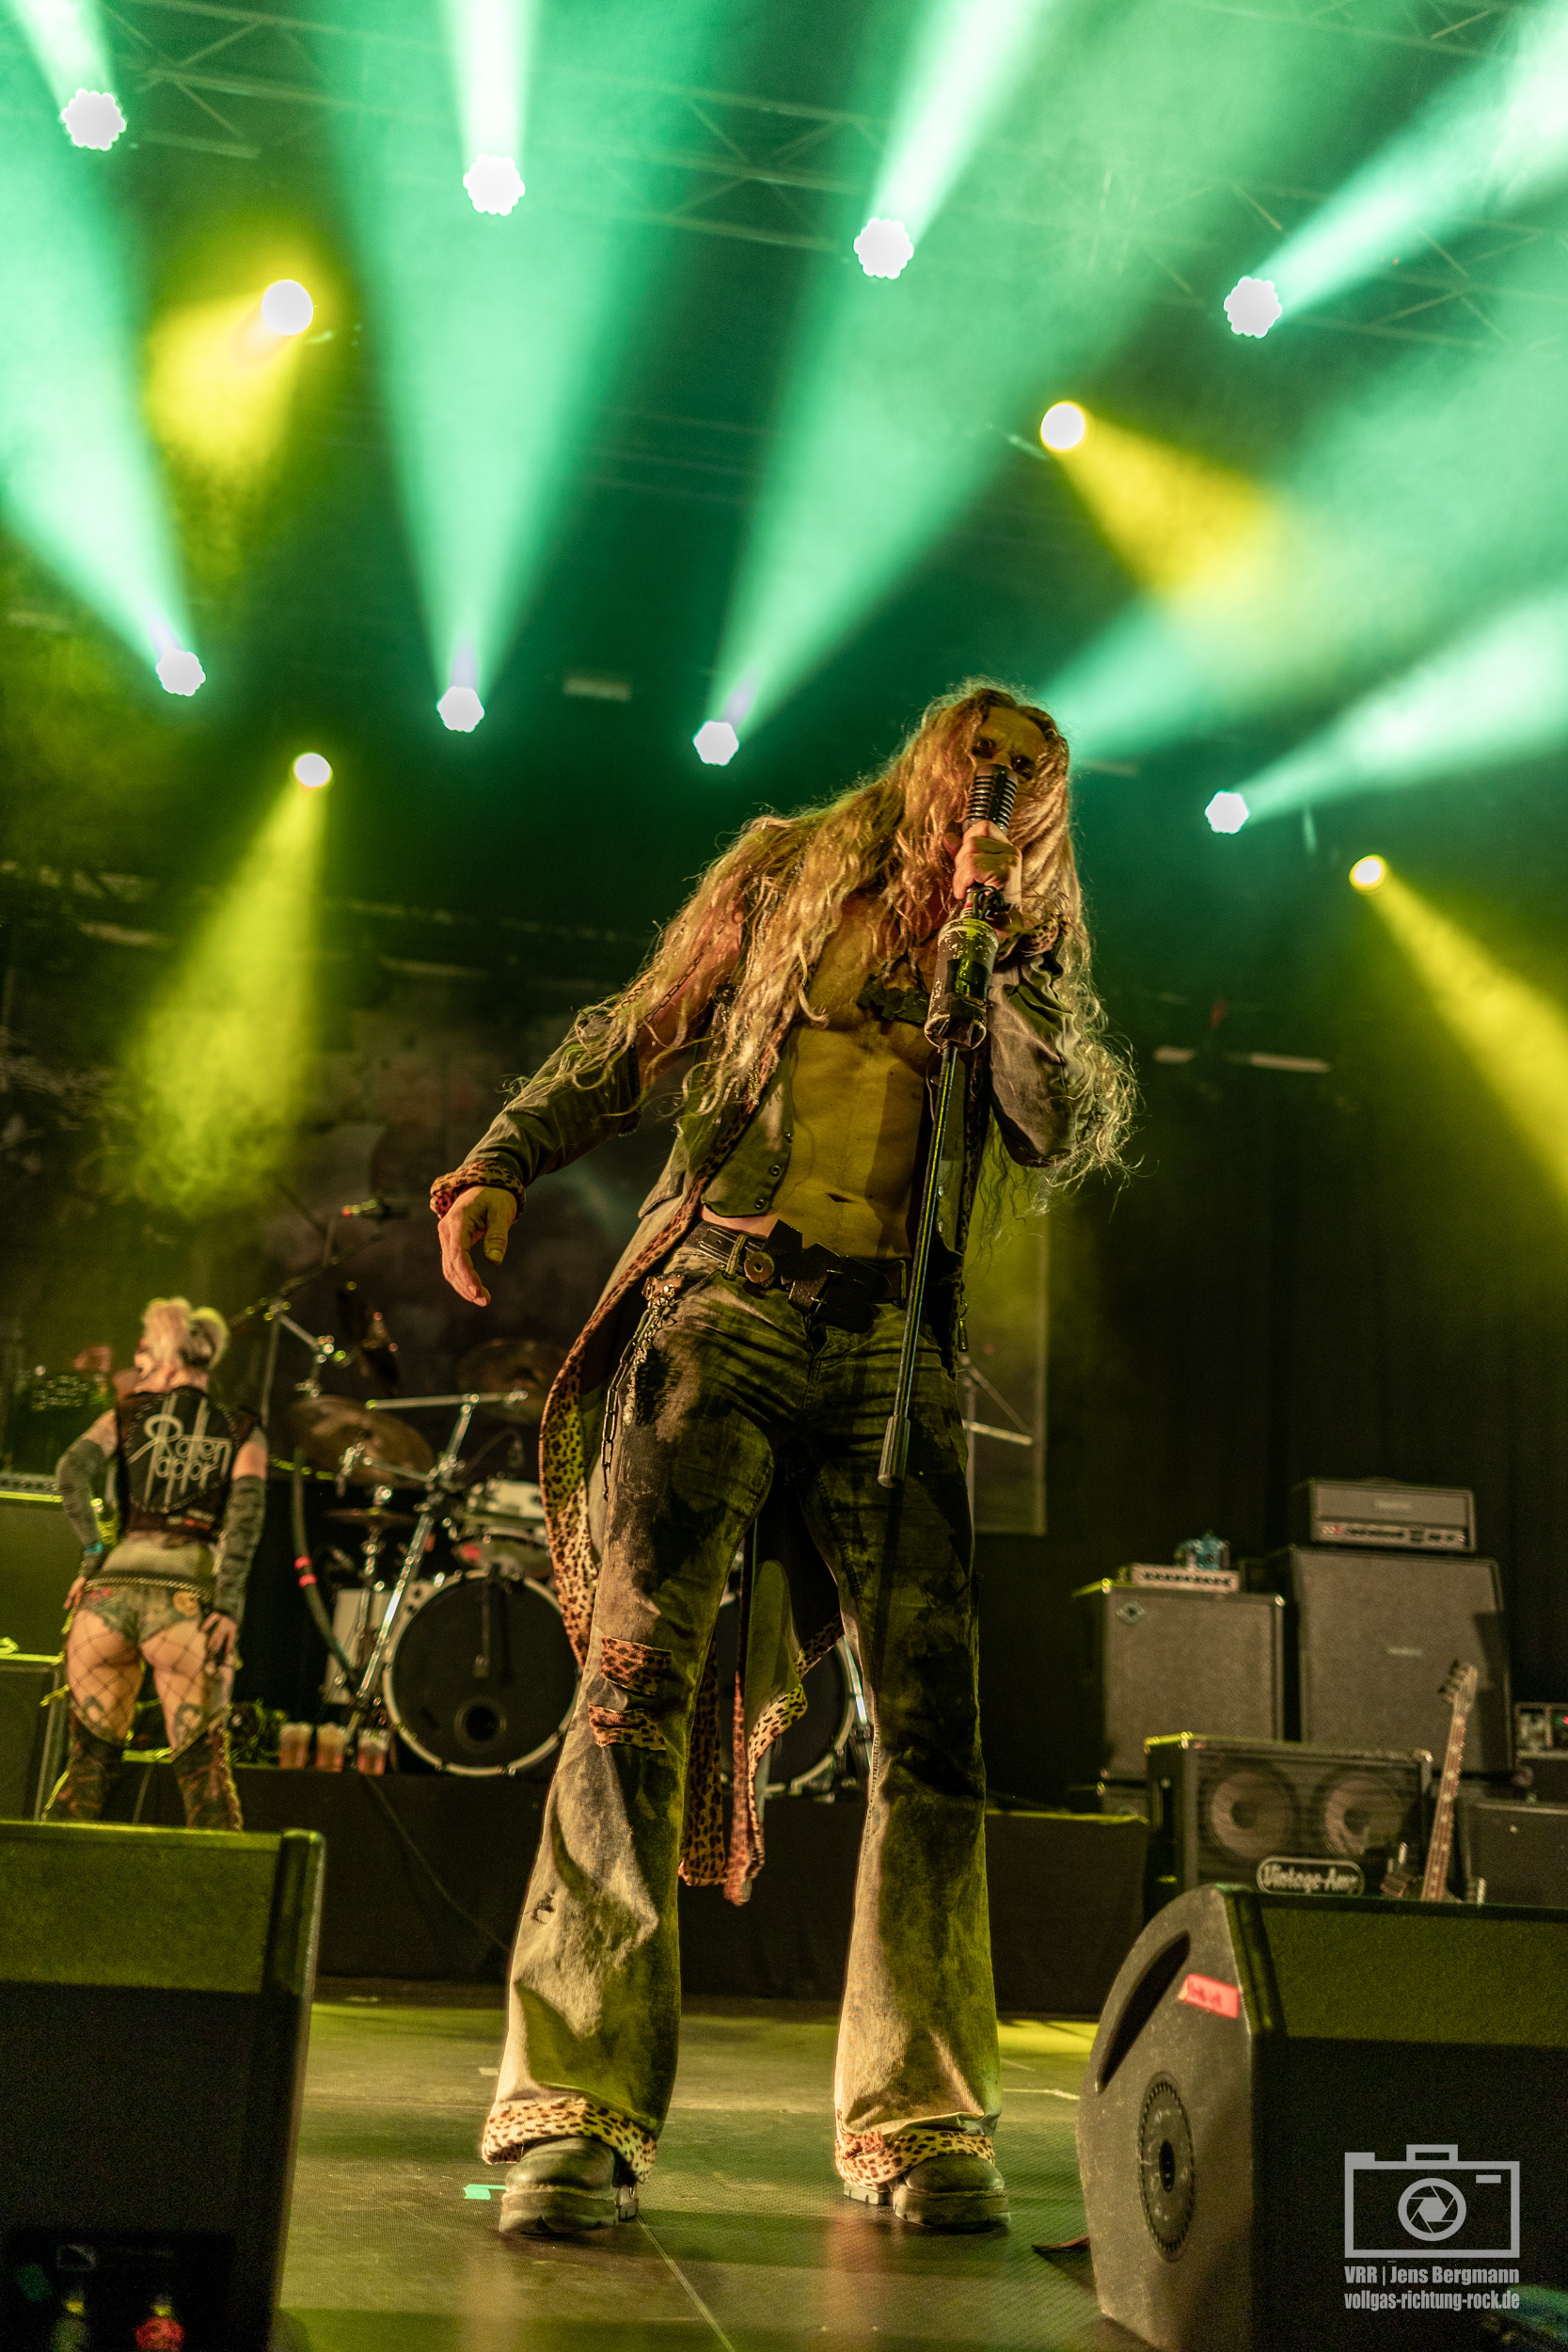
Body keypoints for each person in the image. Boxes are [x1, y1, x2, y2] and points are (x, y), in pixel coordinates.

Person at [433, 681, 1129, 2241]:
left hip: (892, 1349)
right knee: (628, 1692)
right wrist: (498, 1161)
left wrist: (997, 962)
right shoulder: (786, 874)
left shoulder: (1022, 948)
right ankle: (572, 2112)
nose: (999, 784)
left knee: (934, 1735)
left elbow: (1055, 1128)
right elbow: (635, 1033)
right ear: (931, 755)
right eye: (981, 757)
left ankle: (920, 2119)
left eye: (1030, 772)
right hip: (723, 1306)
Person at [49, 1296, 269, 1829]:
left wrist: (94, 1553)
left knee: (85, 1776)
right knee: (205, 1784)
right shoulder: (243, 1429)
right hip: (185, 1604)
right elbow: (245, 1522)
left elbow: (69, 1471)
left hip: (108, 1601)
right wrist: (229, 1608)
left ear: (169, 1360)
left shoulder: (126, 1414)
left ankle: (34, 1881)